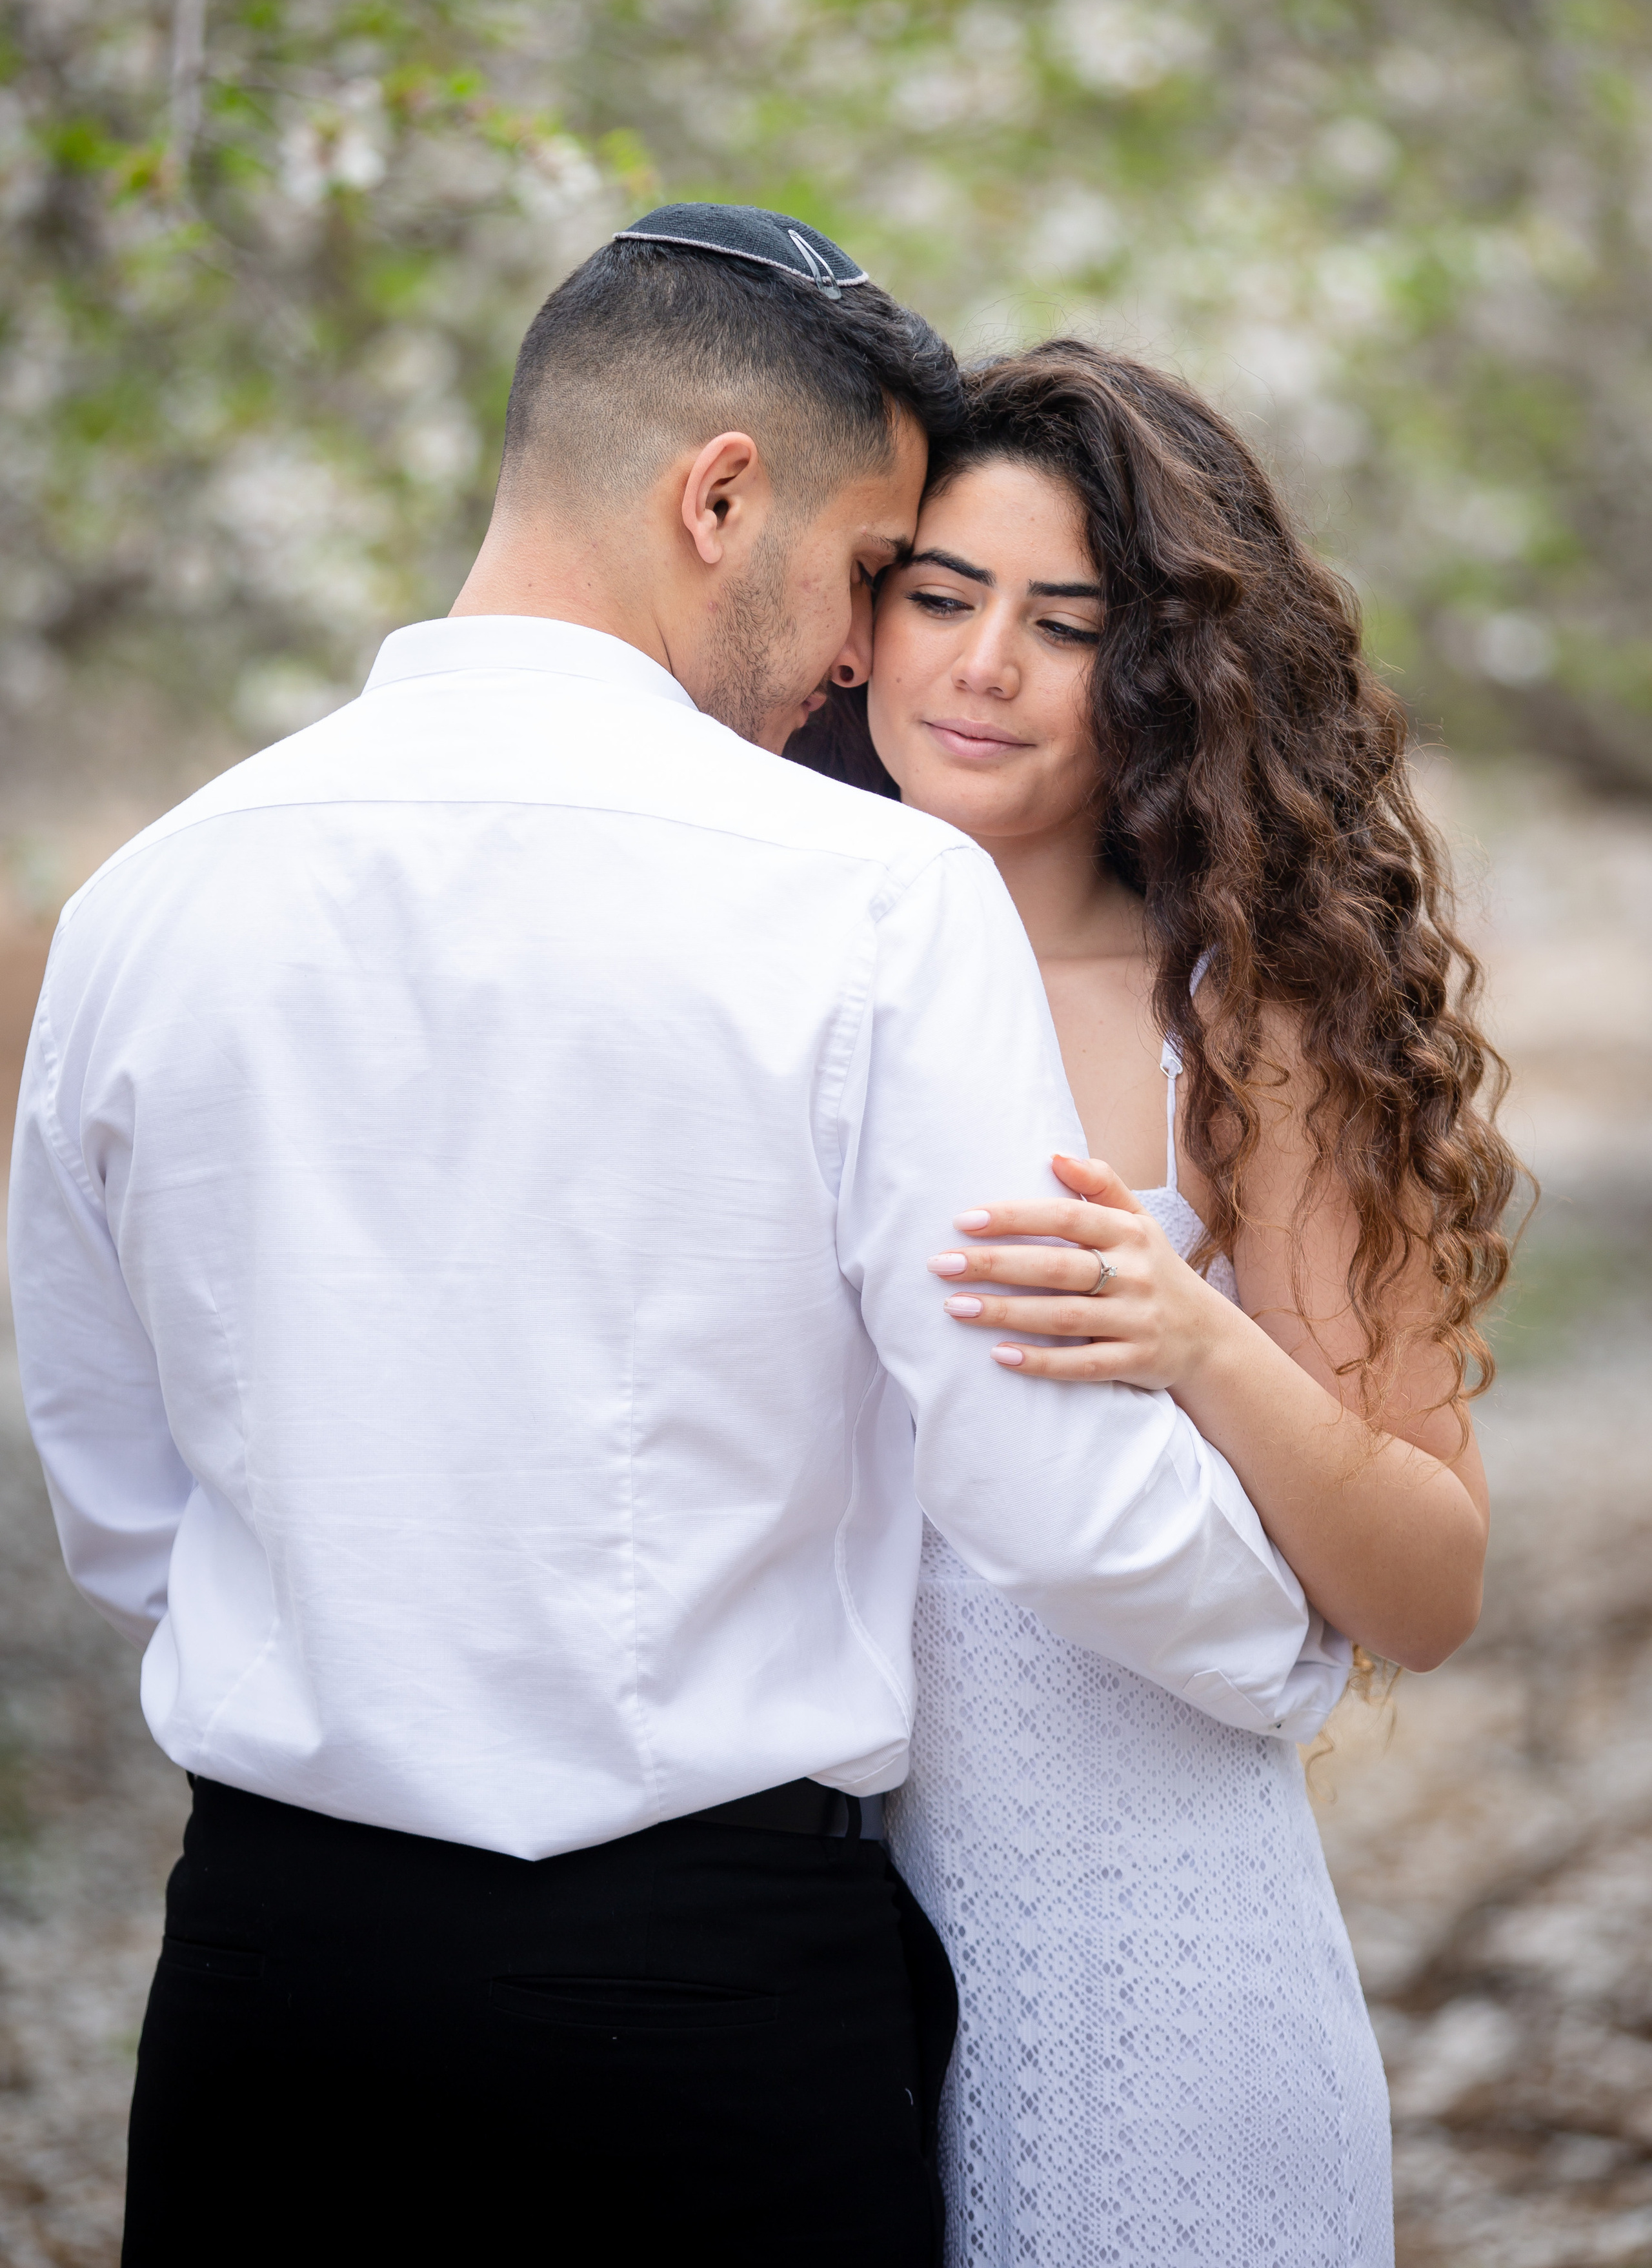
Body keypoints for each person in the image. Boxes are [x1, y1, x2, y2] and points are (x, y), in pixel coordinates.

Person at [6, 214, 1349, 2268]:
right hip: (704, 1989)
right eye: (871, 575)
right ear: (722, 496)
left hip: (273, 1982)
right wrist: (1283, 1644)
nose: (856, 652)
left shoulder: (148, 906)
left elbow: (115, 1496)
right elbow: (1038, 1480)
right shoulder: (876, 901)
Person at [788, 338, 1521, 2267]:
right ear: (858, 620)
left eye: (1065, 623)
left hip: (1149, 1966)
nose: (982, 666)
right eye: (938, 596)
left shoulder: (1250, 1027)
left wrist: (1195, 1338)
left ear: (1165, 676)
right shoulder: (754, 967)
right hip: (775, 1966)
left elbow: (1429, 1587)